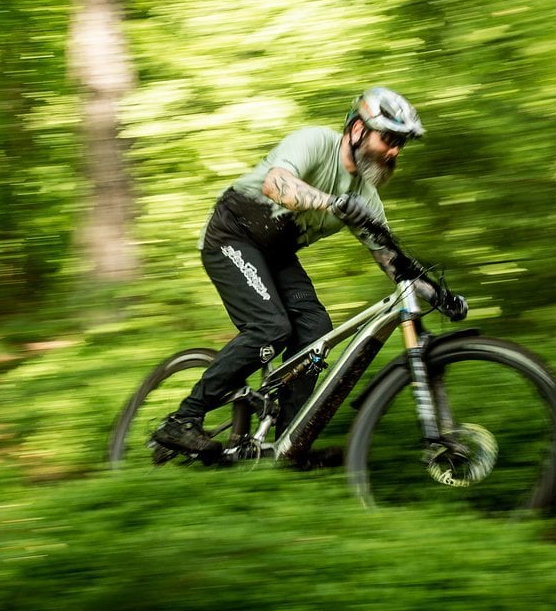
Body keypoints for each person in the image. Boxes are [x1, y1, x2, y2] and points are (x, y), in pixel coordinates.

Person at [152, 87, 458, 466]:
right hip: (232, 234)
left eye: (401, 145)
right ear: (359, 129)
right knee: (270, 328)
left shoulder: (367, 197)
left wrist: (439, 295)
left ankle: (289, 446)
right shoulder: (316, 141)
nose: (395, 152)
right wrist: (332, 203)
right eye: (389, 139)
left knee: (316, 334)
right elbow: (276, 184)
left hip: (276, 255)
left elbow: (392, 262)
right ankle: (183, 418)